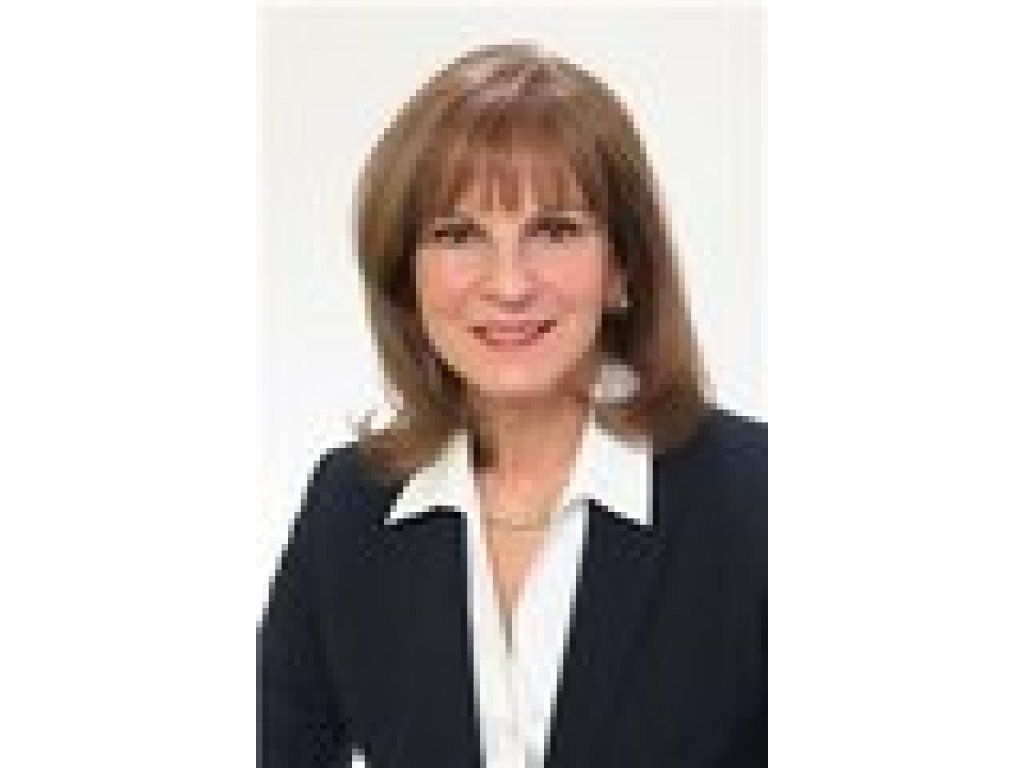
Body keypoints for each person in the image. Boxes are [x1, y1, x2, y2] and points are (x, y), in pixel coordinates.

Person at [259, 42, 766, 768]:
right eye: (459, 235)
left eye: (554, 231)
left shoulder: (759, 499)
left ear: (621, 267)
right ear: (407, 277)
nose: (509, 284)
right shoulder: (349, 508)